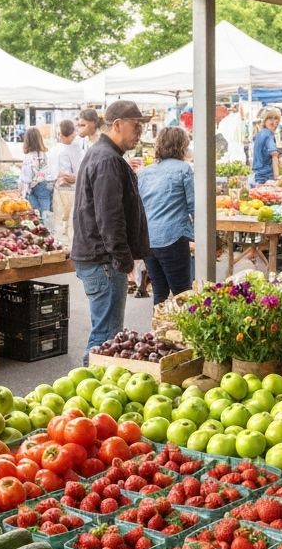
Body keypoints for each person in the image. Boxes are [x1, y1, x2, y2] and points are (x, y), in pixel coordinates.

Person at [71, 99, 150, 357]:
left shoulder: (104, 155)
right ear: (117, 125)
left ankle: (89, 386)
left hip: (98, 258)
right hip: (103, 260)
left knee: (106, 332)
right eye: (136, 126)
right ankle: (86, 386)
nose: (140, 133)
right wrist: (124, 259)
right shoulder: (107, 160)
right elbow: (109, 217)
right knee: (106, 336)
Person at [137, 127, 194, 305]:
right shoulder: (184, 169)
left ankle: (158, 332)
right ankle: (183, 332)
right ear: (182, 145)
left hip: (149, 241)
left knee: (160, 294)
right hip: (173, 238)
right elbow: (195, 206)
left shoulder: (144, 173)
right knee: (182, 293)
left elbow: (139, 207)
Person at [51, 119, 82, 246]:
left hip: (70, 190)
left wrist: (71, 177)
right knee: (62, 220)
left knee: (67, 220)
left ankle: (68, 246)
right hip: (61, 189)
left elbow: (80, 173)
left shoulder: (75, 149)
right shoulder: (58, 149)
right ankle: (63, 245)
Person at [18, 127, 53, 231]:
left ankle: (37, 227)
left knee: (34, 210)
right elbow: (49, 170)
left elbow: (26, 177)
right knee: (45, 208)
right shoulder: (45, 155)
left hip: (31, 187)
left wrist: (22, 189)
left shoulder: (28, 157)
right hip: (44, 185)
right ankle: (47, 229)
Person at [251, 106, 282, 185]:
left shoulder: (261, 133)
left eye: (276, 118)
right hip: (266, 177)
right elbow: (274, 155)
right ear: (264, 121)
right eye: (270, 118)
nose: (274, 122)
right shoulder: (268, 135)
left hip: (257, 175)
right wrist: (277, 177)